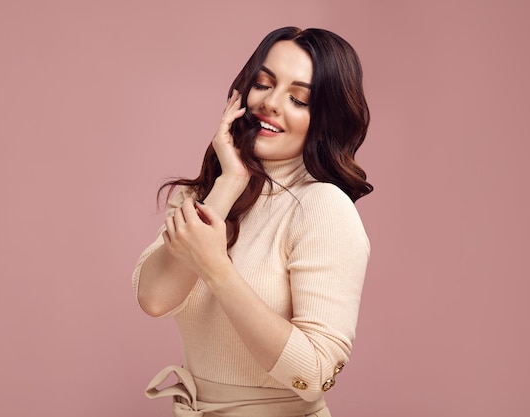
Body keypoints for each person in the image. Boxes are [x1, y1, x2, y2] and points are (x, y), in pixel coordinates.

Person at [132, 26, 372, 417]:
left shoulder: (322, 207)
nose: (272, 103)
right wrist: (228, 184)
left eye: (298, 98)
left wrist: (216, 268)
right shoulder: (206, 196)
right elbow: (155, 299)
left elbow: (315, 374)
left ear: (325, 120)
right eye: (264, 83)